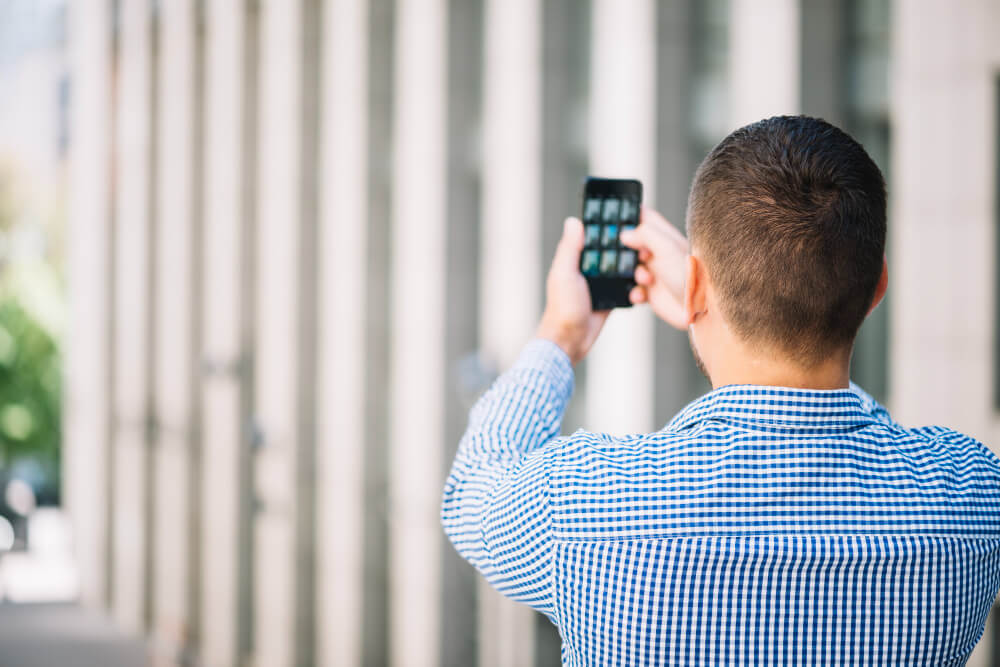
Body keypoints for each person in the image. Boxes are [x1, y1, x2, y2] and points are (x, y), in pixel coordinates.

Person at [441, 116, 1000, 665]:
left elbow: (472, 490)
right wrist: (720, 303)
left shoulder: (585, 506)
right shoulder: (972, 498)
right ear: (876, 287)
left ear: (693, 285)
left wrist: (561, 336)